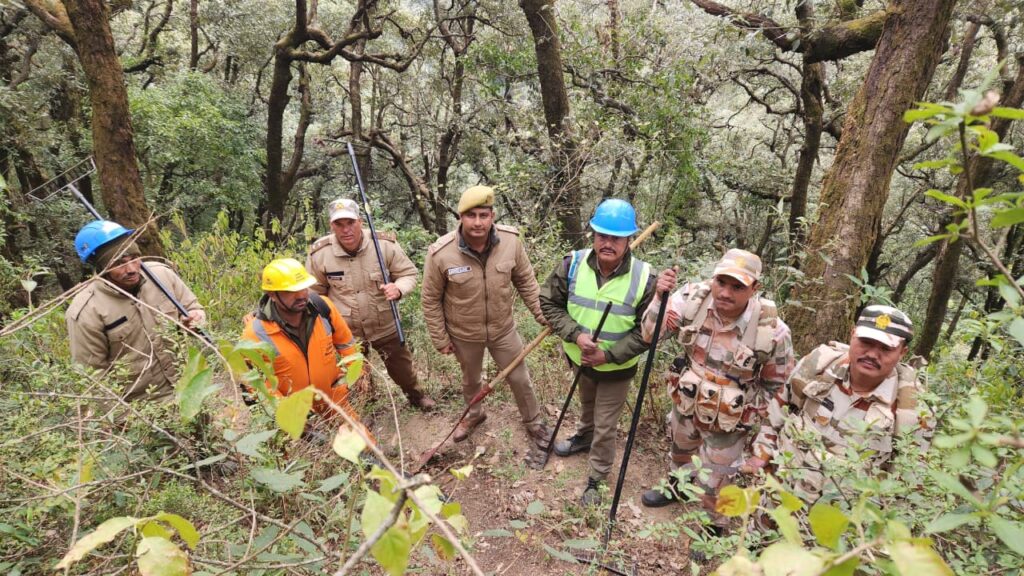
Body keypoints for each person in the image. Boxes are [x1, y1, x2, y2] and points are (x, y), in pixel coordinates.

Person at [639, 249, 795, 530]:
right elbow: (650, 335)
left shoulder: (772, 331)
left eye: (737, 287)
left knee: (719, 478)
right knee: (680, 452)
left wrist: (750, 421)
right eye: (721, 282)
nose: (725, 293)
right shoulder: (692, 301)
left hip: (729, 418)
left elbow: (778, 388)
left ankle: (714, 527)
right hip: (687, 401)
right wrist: (659, 299)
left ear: (754, 288)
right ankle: (678, 487)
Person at [745, 305, 933, 501]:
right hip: (777, 497)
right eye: (866, 342)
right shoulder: (819, 366)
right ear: (853, 335)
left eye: (885, 349)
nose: (872, 354)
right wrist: (761, 453)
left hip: (841, 515)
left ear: (902, 353)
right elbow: (778, 411)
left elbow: (907, 483)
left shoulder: (912, 410)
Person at [540, 199, 657, 506]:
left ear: (629, 240)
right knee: (587, 403)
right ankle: (583, 436)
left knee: (606, 423)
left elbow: (650, 332)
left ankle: (597, 476)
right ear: (592, 234)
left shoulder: (646, 278)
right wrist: (576, 335)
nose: (608, 243)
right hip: (578, 357)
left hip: (617, 366)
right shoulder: (572, 264)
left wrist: (607, 355)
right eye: (602, 235)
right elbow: (549, 302)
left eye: (616, 238)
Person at [420, 185, 553, 448]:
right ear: (461, 217)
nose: (478, 222)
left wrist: (543, 315)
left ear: (492, 216)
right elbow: (430, 299)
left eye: (484, 215)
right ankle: (474, 415)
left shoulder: (511, 242)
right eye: (471, 215)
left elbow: (526, 282)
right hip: (464, 334)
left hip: (503, 329)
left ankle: (534, 422)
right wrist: (440, 338)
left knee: (519, 378)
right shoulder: (441, 253)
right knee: (471, 380)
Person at [307, 198, 435, 411]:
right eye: (339, 224)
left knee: (401, 367)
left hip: (384, 321)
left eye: (350, 222)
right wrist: (325, 324)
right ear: (331, 226)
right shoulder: (320, 253)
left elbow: (408, 273)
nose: (346, 229)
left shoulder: (383, 245)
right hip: (346, 329)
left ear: (360, 222)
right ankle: (367, 404)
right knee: (356, 371)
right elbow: (314, 293)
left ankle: (416, 396)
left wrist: (398, 288)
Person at [67, 220, 206, 403]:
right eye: (119, 263)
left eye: (134, 258)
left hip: (190, 388)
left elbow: (193, 308)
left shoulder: (161, 276)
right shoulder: (86, 311)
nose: (131, 269)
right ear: (102, 267)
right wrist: (125, 416)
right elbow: (92, 377)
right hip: (144, 407)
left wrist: (196, 320)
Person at [240, 258, 366, 431]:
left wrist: (356, 376)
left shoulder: (323, 308)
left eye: (303, 287)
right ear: (272, 295)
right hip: (293, 413)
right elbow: (257, 384)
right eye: (291, 291)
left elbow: (347, 345)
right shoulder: (254, 333)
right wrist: (287, 415)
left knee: (362, 441)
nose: (301, 295)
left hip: (333, 399)